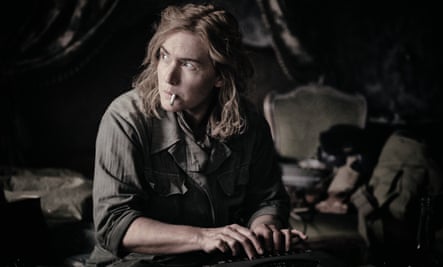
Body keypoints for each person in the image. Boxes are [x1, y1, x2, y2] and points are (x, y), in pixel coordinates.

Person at [87, 3, 307, 267]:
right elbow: (113, 223)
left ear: (220, 76)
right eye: (165, 56)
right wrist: (202, 237)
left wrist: (263, 228)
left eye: (188, 65)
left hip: (218, 262)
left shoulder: (251, 124)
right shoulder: (125, 119)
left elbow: (267, 200)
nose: (168, 76)